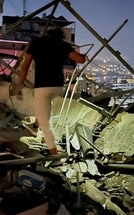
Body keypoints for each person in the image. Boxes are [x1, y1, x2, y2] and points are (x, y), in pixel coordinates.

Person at [18, 27, 86, 156]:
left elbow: (25, 65)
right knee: (45, 109)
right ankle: (35, 125)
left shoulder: (36, 43)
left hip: (42, 86)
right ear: (60, 37)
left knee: (45, 123)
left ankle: (54, 154)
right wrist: (84, 57)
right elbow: (80, 59)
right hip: (57, 86)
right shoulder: (62, 45)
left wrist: (21, 81)